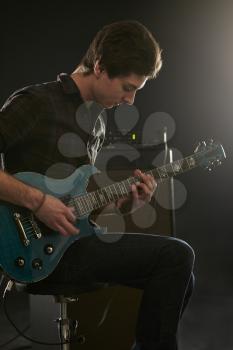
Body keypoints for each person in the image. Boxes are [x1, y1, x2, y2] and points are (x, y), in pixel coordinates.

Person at [0, 20, 194, 350]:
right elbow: (48, 205)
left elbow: (76, 205)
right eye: (127, 87)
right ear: (101, 67)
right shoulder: (35, 102)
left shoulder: (99, 122)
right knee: (177, 256)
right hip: (32, 251)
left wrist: (124, 204)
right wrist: (38, 202)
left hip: (72, 243)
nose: (131, 100)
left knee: (183, 278)